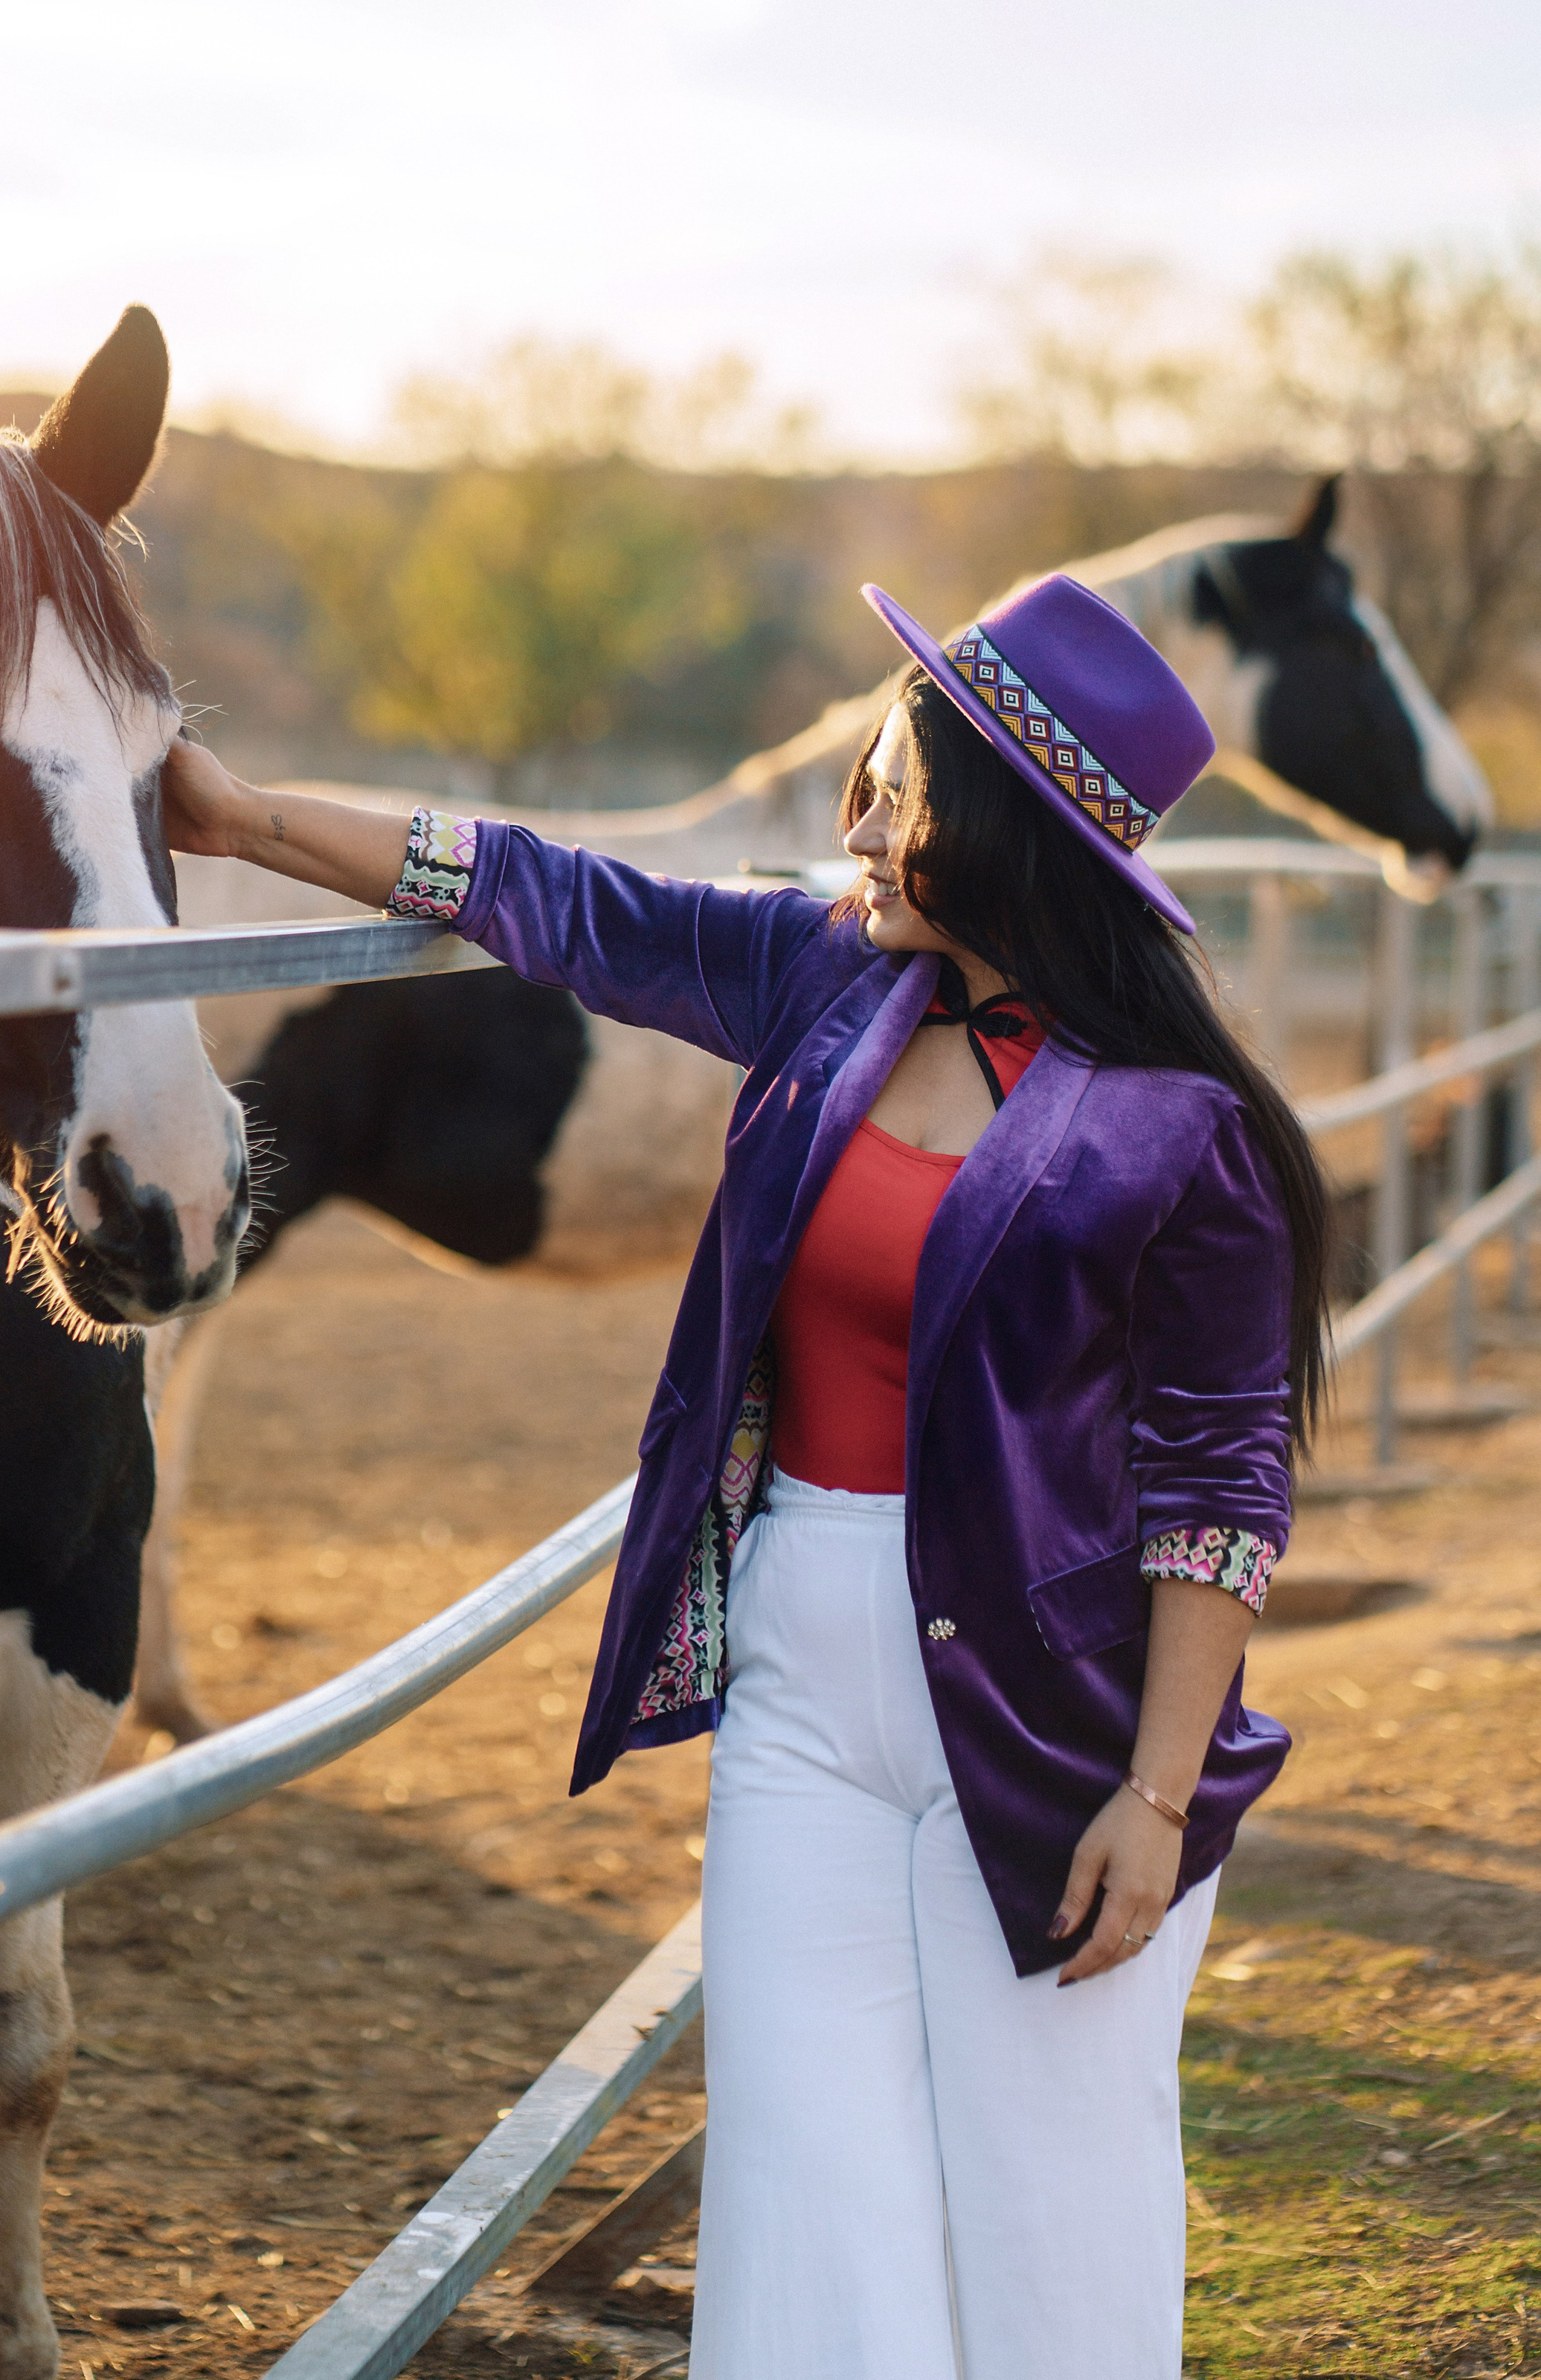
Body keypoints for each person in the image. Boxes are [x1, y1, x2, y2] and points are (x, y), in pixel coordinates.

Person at [162, 572, 1329, 2380]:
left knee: (1047, 2210)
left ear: (998, 829)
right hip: (797, 1668)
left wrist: (1155, 1797)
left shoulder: (1184, 1131)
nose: (847, 824)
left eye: (886, 790)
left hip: (1062, 1714)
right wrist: (253, 822)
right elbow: (551, 897)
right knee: (805, 2194)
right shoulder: (819, 985)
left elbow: (1214, 1486)